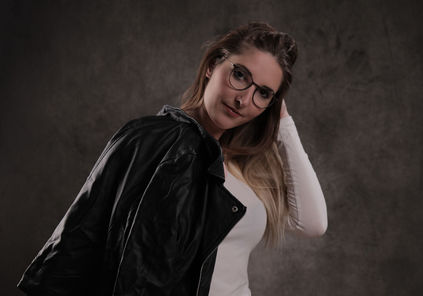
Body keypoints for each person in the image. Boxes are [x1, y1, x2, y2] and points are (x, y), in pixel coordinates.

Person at [18, 22, 327, 296]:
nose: (243, 99)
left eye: (262, 93)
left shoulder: (248, 166)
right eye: (240, 75)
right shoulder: (153, 140)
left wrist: (284, 124)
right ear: (212, 65)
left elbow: (313, 224)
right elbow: (90, 242)